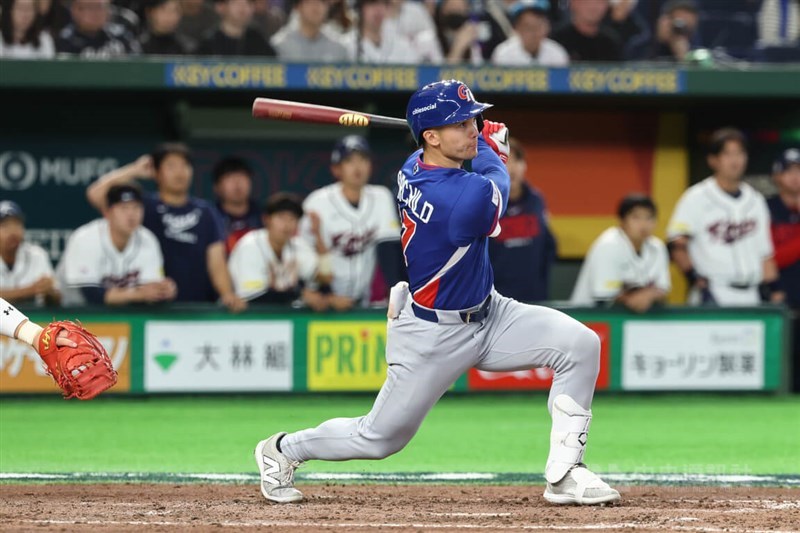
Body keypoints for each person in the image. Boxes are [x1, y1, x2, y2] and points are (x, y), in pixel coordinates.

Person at [254, 80, 620, 506]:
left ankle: (565, 474)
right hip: (432, 335)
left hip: (491, 313)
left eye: (472, 120)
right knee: (378, 438)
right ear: (430, 136)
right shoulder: (458, 199)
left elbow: (476, 168)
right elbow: (493, 183)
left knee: (580, 344)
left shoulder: (413, 163)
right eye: (459, 123)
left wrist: (480, 140)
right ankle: (281, 450)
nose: (471, 128)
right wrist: (492, 148)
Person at [86, 143, 247, 312]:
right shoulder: (143, 207)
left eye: (185, 166)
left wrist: (227, 293)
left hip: (200, 307)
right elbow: (95, 194)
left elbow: (217, 261)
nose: (179, 172)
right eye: (171, 166)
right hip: (154, 307)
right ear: (157, 173)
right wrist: (134, 170)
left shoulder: (206, 211)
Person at [667, 128, 780, 306]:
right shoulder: (696, 197)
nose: (735, 160)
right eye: (727, 154)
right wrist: (695, 279)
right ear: (713, 160)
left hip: (752, 295)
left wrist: (775, 291)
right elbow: (677, 244)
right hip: (714, 292)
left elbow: (765, 253)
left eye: (739, 153)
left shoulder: (756, 200)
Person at [300, 135, 403, 310]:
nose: (357, 167)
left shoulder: (381, 197)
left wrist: (397, 297)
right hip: (320, 303)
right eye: (349, 161)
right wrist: (322, 294)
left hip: (362, 303)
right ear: (336, 169)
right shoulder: (316, 202)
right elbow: (299, 252)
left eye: (363, 160)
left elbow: (389, 252)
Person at [58, 184, 176, 307]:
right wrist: (138, 294)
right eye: (124, 208)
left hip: (121, 317)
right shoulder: (84, 238)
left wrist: (162, 291)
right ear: (107, 213)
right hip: (69, 314)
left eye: (136, 207)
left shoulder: (148, 240)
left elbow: (149, 290)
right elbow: (91, 294)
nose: (131, 214)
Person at [571, 194, 670, 313]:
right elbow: (604, 296)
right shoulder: (608, 244)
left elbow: (663, 288)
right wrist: (639, 297)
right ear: (622, 221)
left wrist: (648, 295)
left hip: (633, 319)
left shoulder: (657, 247)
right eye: (636, 217)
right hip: (590, 317)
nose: (643, 224)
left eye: (649, 218)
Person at [229, 192, 327, 310]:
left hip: (281, 321)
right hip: (241, 320)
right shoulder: (250, 246)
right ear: (266, 219)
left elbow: (325, 277)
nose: (286, 225)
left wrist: (318, 235)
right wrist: (301, 295)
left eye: (292, 219)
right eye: (281, 217)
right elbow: (253, 298)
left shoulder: (297, 245)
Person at [488, 138, 556, 303]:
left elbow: (548, 246)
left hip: (535, 298)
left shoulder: (536, 200)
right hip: (497, 301)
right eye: (504, 161)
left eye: (516, 160)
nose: (511, 168)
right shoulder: (487, 202)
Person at [767, 148, 800, 392]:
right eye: (789, 170)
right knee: (783, 365)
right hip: (779, 298)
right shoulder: (763, 207)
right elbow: (773, 258)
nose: (795, 176)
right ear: (777, 176)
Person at [0, 200, 60, 307]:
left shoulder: (37, 255)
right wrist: (31, 290)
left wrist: (49, 291)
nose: (12, 231)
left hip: (32, 320)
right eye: (5, 225)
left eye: (17, 224)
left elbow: (56, 300)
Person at [491, 0, 569, 67]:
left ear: (547, 27)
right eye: (528, 27)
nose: (534, 32)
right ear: (517, 28)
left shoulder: (557, 53)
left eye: (538, 26)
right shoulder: (504, 53)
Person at [212, 156, 263, 254]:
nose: (237, 183)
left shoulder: (264, 216)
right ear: (216, 187)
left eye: (242, 176)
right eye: (229, 177)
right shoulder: (209, 218)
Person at [55, 0, 141, 57]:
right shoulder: (65, 41)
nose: (96, 13)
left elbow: (138, 66)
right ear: (74, 10)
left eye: (101, 7)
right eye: (90, 7)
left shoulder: (121, 35)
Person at [270, 0, 348, 62]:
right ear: (298, 7)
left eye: (322, 2)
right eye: (309, 2)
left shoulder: (338, 46)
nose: (316, 7)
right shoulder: (280, 45)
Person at [345, 0, 420, 64]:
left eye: (383, 3)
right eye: (372, 3)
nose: (378, 10)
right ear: (359, 9)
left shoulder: (402, 46)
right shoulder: (347, 45)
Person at [414, 0, 484, 65]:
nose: (456, 11)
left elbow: (477, 73)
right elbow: (437, 75)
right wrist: (458, 46)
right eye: (452, 7)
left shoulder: (470, 41)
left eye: (460, 10)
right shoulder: (427, 40)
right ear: (442, 10)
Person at [196, 0, 276, 56]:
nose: (243, 8)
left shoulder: (258, 39)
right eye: (235, 3)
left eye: (248, 3)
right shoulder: (208, 42)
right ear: (221, 7)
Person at [551, 0, 622, 62]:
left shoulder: (611, 42)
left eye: (599, 2)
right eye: (586, 2)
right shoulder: (556, 40)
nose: (593, 7)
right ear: (573, 3)